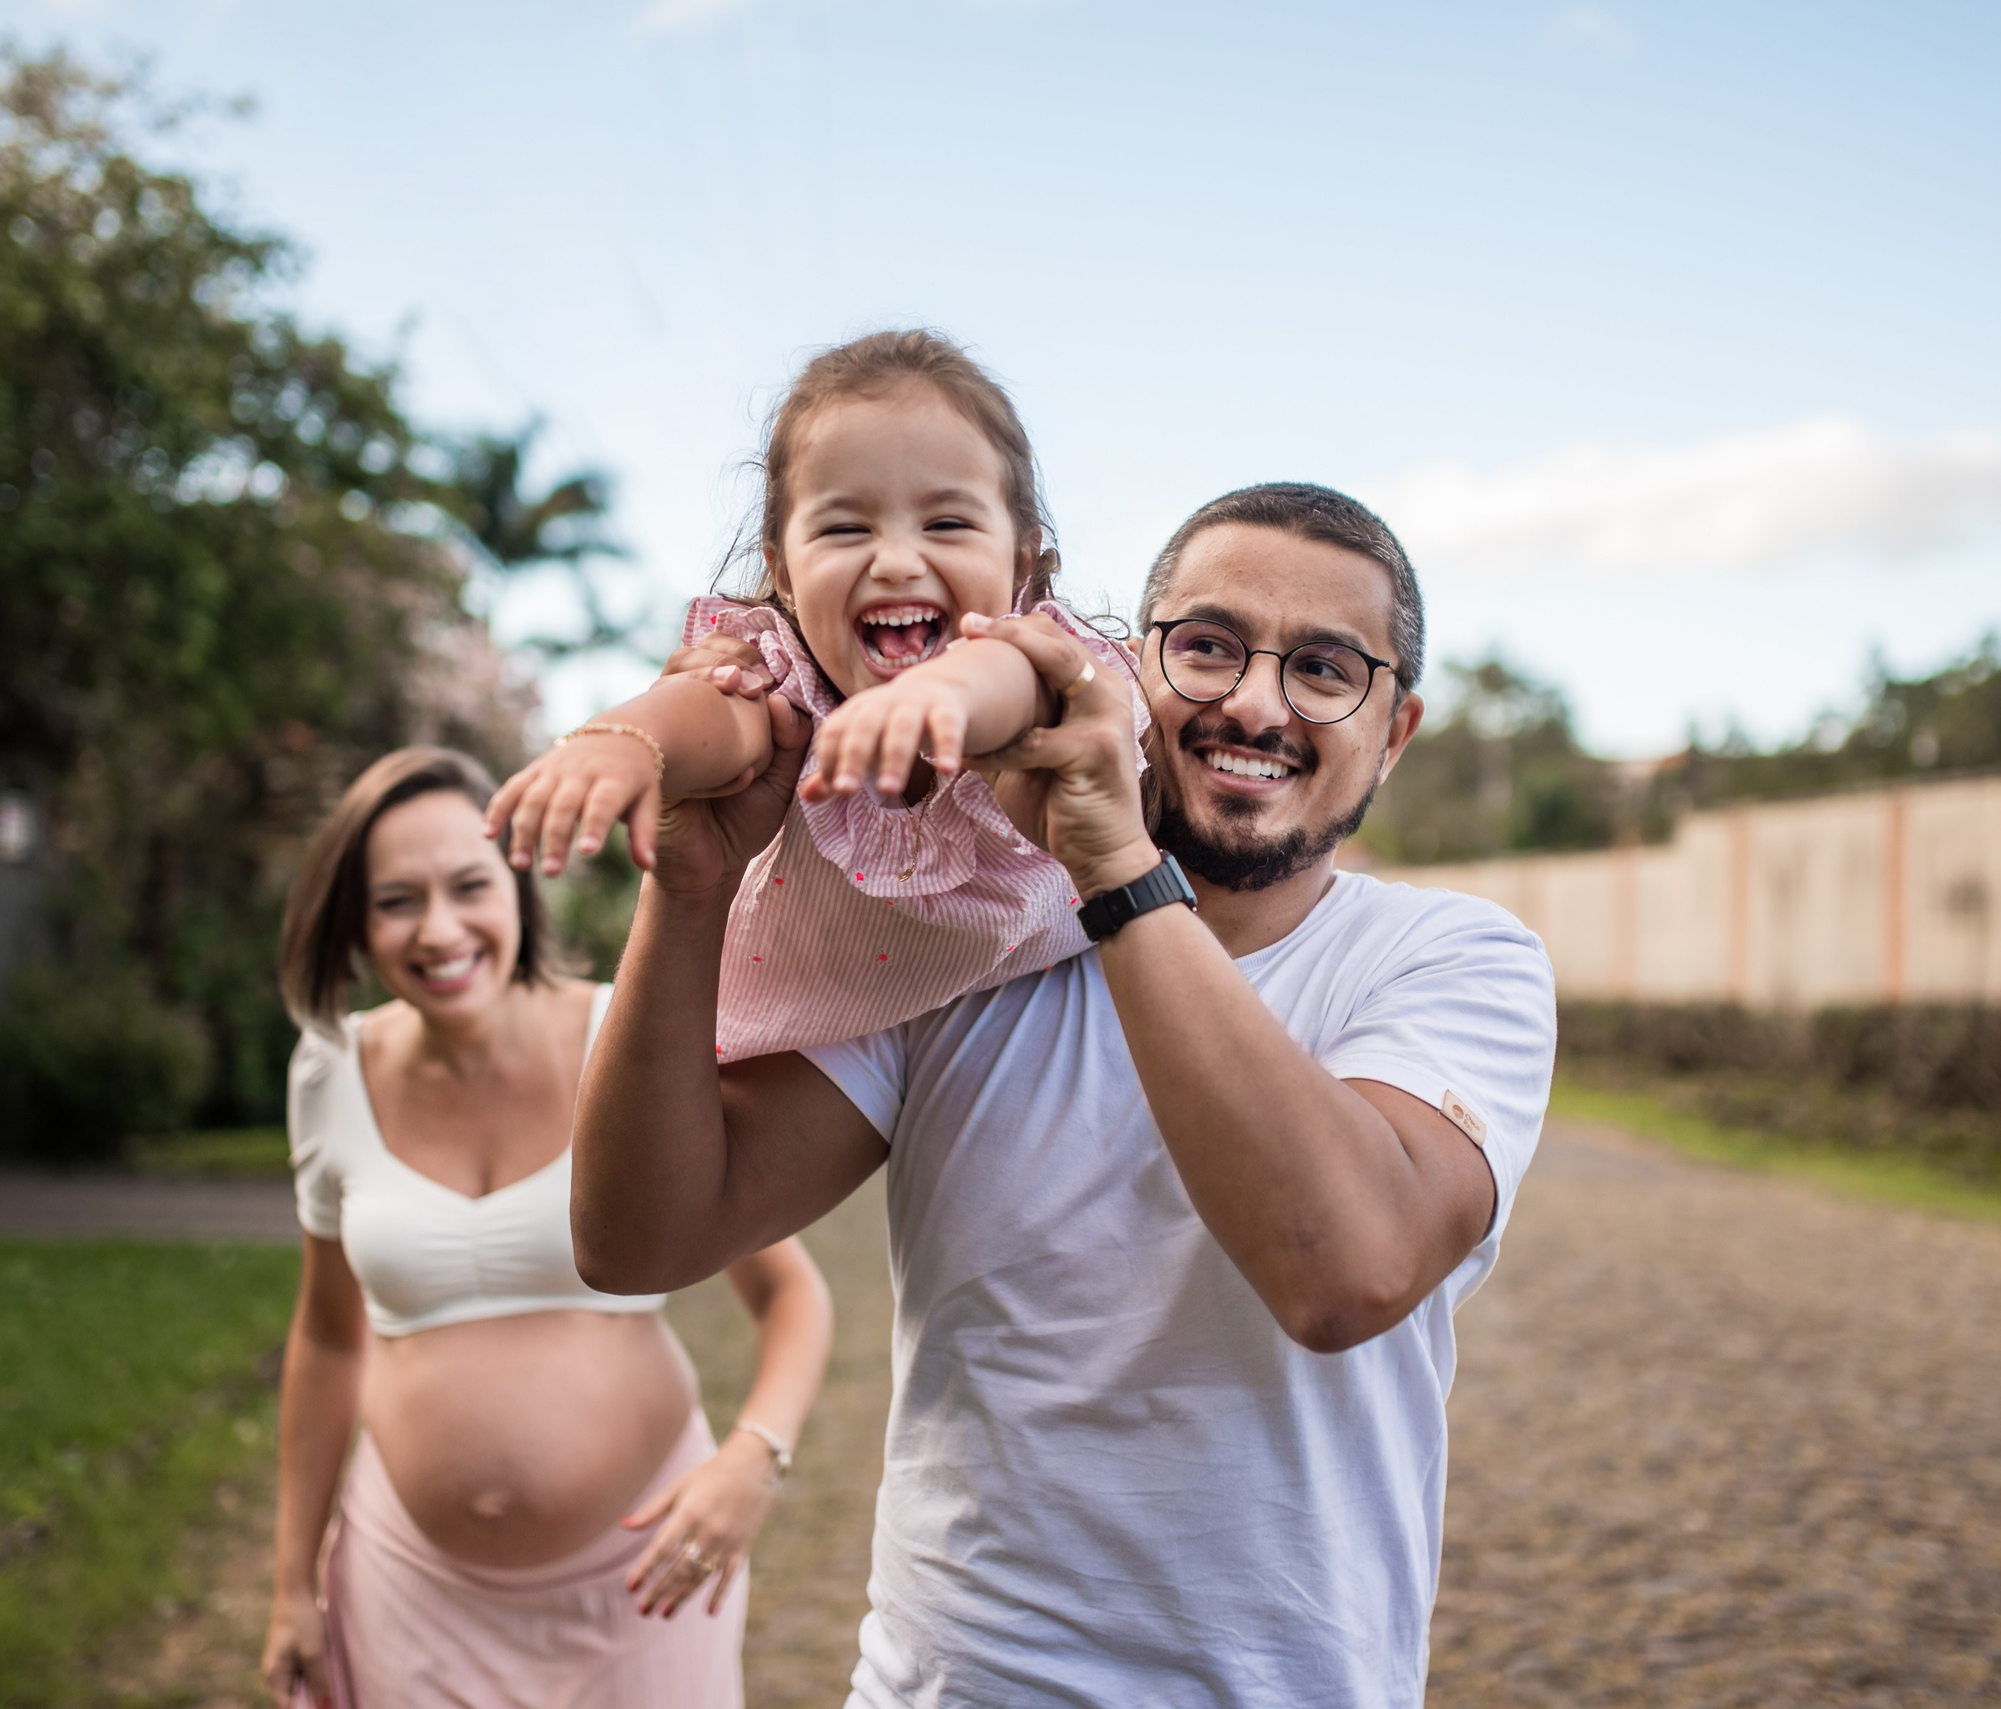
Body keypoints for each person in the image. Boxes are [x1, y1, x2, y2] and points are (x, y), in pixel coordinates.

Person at [572, 484, 1558, 1706]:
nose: (1254, 701)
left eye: (1323, 669)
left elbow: (1343, 1269)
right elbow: (639, 1237)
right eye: (1205, 646)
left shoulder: (1453, 958)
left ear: (1395, 729)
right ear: (1125, 663)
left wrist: (1113, 868)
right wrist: (689, 887)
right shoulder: (961, 933)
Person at [259, 746, 833, 1709]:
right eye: (397, 900)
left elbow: (791, 1293)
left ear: (520, 888)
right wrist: (289, 1588)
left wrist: (752, 1458)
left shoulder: (630, 1037)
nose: (438, 930)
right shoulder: (328, 1072)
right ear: (355, 924)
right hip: (411, 1592)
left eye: (467, 886)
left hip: (644, 1587)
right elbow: (325, 1333)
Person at [484, 329, 1143, 1066]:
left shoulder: (1035, 662)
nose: (895, 560)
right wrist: (624, 739)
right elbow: (716, 715)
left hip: (1050, 980)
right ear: (785, 572)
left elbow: (1013, 684)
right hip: (823, 1030)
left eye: (948, 523)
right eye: (845, 527)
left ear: (1020, 556)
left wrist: (942, 689)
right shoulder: (788, 679)